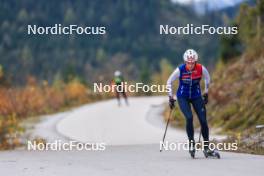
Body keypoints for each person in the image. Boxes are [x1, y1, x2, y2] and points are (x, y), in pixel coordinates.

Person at [167, 49, 216, 157]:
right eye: (188, 63)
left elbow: (207, 79)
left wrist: (206, 93)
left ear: (195, 61)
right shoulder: (180, 70)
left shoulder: (201, 68)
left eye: (192, 62)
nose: (190, 65)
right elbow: (169, 81)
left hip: (196, 96)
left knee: (203, 120)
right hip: (182, 97)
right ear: (185, 62)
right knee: (189, 118)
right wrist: (170, 97)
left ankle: (207, 148)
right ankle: (191, 143)